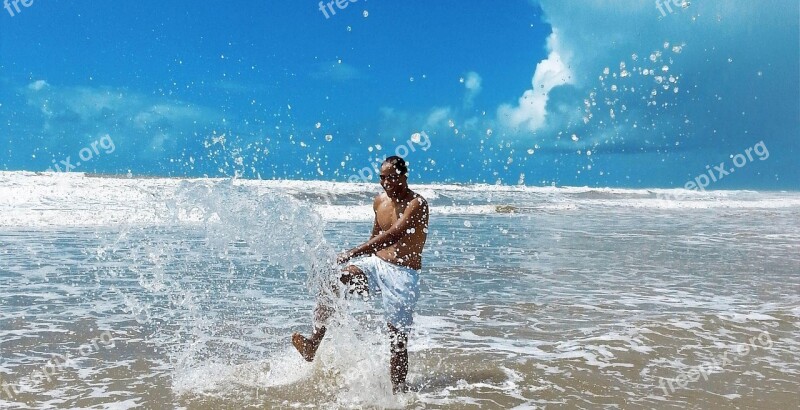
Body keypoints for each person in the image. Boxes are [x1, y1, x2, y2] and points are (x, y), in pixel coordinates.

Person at [292, 155, 429, 393]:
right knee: (335, 280)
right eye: (382, 178)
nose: (386, 183)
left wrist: (351, 253)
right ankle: (313, 343)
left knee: (397, 338)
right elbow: (375, 237)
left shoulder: (417, 203)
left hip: (403, 274)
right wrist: (356, 259)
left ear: (404, 176)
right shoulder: (379, 202)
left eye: (391, 178)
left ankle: (399, 391)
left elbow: (393, 235)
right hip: (376, 265)